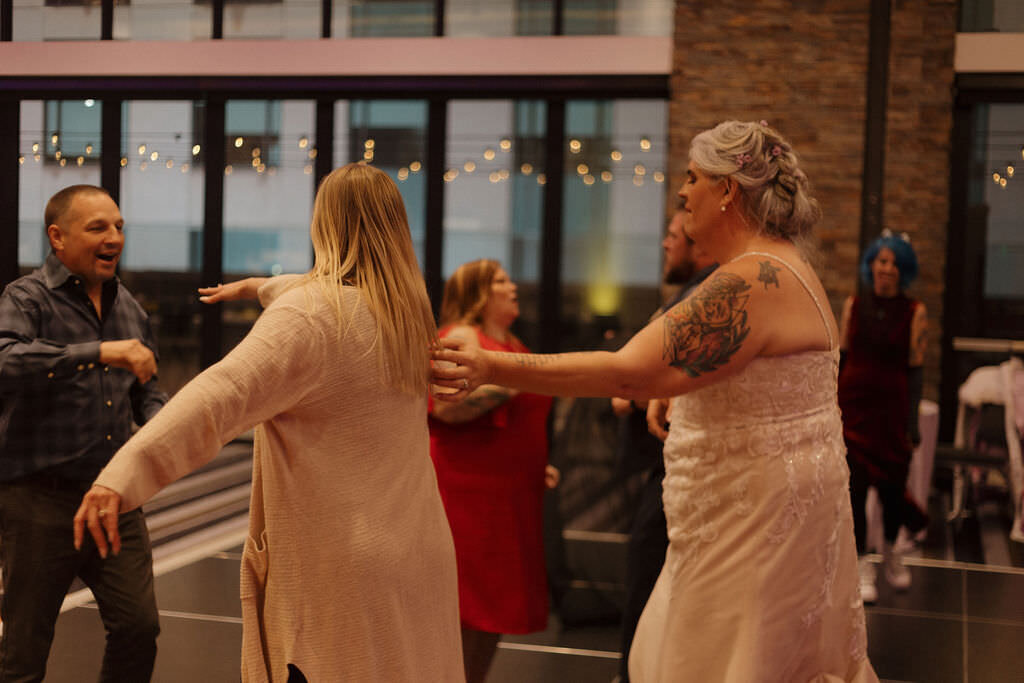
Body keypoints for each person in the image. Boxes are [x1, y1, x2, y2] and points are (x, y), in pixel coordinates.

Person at [433, 120, 878, 682]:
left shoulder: (753, 278)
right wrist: (683, 397)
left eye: (693, 178)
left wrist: (492, 366)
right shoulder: (788, 267)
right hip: (767, 511)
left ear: (728, 191)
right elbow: (745, 380)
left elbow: (629, 370)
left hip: (753, 528)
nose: (683, 194)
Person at [73, 163, 464, 682]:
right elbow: (325, 293)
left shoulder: (311, 316)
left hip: (341, 567)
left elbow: (218, 396)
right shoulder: (405, 312)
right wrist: (263, 287)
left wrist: (121, 477)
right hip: (417, 550)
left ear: (323, 225)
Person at [0, 184, 166, 682]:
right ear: (58, 237)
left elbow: (147, 390)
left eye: (117, 226)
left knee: (139, 628)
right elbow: (4, 359)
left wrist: (166, 426)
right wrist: (97, 351)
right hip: (38, 499)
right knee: (24, 653)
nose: (113, 236)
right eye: (98, 227)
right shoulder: (25, 298)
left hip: (115, 496)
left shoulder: (130, 307)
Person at [428, 259, 555, 683]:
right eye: (501, 281)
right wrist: (514, 381)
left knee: (492, 611)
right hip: (468, 496)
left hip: (508, 497)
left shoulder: (512, 342)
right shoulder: (463, 336)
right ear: (479, 293)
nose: (513, 286)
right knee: (466, 609)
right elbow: (445, 407)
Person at [610, 207, 716, 683]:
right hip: (668, 461)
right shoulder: (689, 294)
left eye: (674, 236)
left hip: (680, 466)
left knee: (650, 570)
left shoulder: (706, 296)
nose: (665, 245)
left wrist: (633, 388)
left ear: (698, 245)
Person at [838, 231, 927, 603]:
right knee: (855, 491)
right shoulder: (852, 305)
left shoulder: (914, 312)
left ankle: (891, 555)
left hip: (891, 413)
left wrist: (911, 424)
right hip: (854, 411)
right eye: (881, 261)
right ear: (871, 264)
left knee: (892, 491)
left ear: (902, 270)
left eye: (893, 263)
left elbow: (917, 369)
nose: (885, 268)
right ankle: (862, 565)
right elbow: (842, 357)